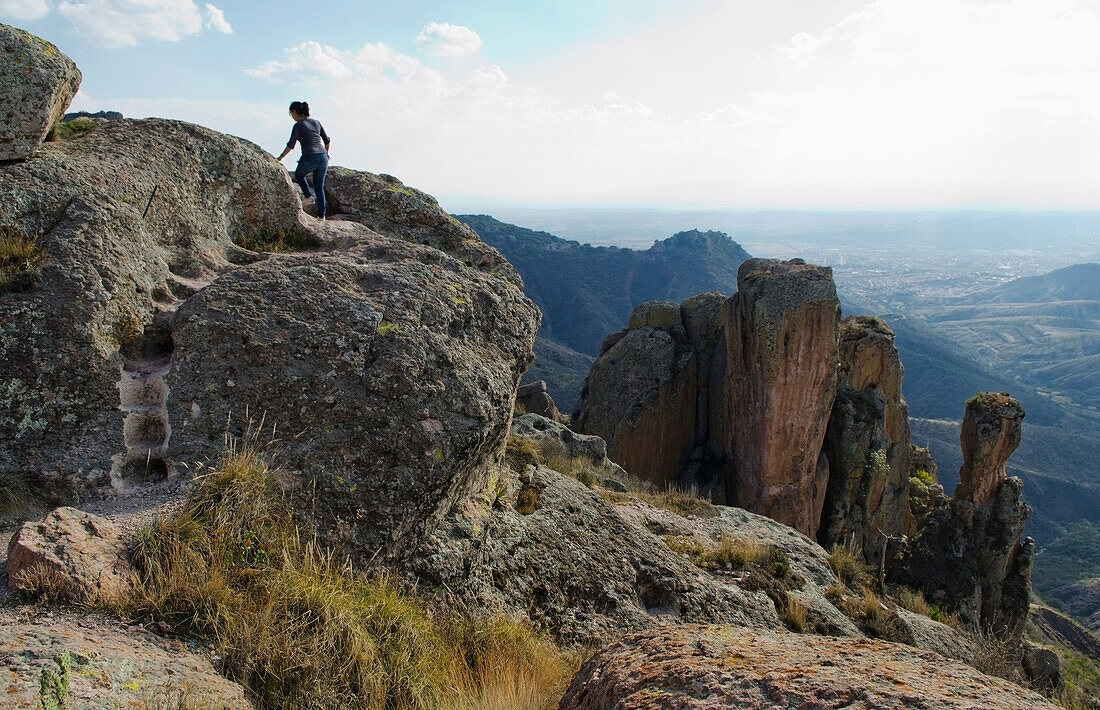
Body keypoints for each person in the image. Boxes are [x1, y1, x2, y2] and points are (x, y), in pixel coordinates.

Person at [275, 101, 331, 219]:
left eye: (291, 114)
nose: (292, 116)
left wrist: (280, 157)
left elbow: (291, 145)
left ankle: (308, 197)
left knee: (299, 175)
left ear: (295, 112)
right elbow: (327, 140)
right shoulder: (316, 122)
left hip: (310, 156)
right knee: (319, 187)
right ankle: (322, 216)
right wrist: (326, 153)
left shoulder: (298, 125)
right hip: (323, 158)